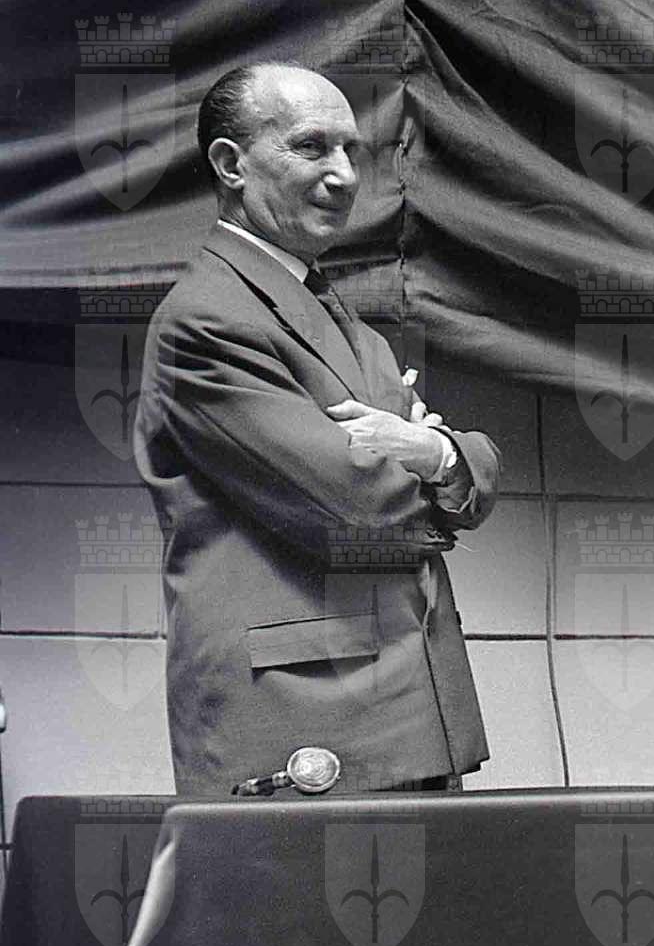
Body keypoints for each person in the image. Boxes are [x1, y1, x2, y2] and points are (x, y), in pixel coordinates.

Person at [135, 64, 500, 797]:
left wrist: (434, 451)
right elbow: (360, 510)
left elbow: (457, 467)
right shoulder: (207, 320)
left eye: (351, 151)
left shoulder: (335, 314)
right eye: (311, 147)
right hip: (306, 715)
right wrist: (439, 469)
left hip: (396, 709)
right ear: (231, 165)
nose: (344, 175)